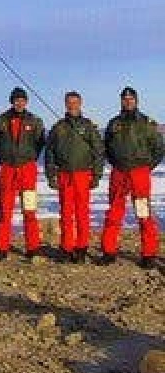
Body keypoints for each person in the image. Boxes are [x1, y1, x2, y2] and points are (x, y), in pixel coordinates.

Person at [99, 86, 163, 269]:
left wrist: (146, 167)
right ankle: (109, 251)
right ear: (121, 101)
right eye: (125, 99)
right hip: (119, 172)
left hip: (139, 173)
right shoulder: (113, 124)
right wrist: (114, 162)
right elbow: (107, 147)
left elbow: (159, 148)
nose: (128, 101)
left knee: (143, 212)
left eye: (131, 99)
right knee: (114, 212)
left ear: (136, 100)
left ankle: (149, 254)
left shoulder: (146, 123)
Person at [44, 91, 105, 263]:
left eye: (75, 102)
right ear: (65, 104)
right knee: (66, 212)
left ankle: (81, 248)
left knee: (82, 213)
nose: (72, 105)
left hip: (83, 174)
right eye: (69, 102)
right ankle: (66, 247)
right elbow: (49, 152)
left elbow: (99, 151)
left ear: (81, 103)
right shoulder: (58, 127)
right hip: (64, 174)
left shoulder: (89, 127)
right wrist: (51, 174)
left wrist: (96, 174)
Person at [0, 87, 47, 260]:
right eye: (16, 100)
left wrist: (30, 157)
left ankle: (33, 247)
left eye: (22, 100)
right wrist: (3, 158)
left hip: (27, 169)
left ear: (26, 101)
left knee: (29, 209)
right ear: (12, 101)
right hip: (7, 169)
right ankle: (2, 247)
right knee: (5, 209)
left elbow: (40, 142)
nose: (19, 103)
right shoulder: (0, 121)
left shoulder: (35, 121)